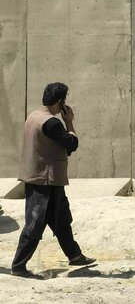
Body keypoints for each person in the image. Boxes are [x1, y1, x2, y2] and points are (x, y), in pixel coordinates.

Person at [12, 82, 95, 278]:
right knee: (34, 224)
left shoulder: (34, 116)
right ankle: (18, 266)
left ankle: (75, 256)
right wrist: (70, 122)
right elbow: (72, 144)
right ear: (60, 102)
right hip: (45, 180)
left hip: (43, 178)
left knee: (61, 219)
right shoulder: (52, 123)